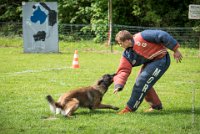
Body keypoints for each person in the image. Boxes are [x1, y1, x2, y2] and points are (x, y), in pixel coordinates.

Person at [113, 30, 183, 114]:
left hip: (161, 59)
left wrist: (175, 50)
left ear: (128, 40)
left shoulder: (142, 36)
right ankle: (156, 106)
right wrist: (118, 84)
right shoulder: (127, 54)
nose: (120, 45)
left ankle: (129, 109)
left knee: (141, 82)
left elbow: (162, 35)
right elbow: (123, 70)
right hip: (150, 62)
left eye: (121, 43)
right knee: (144, 82)